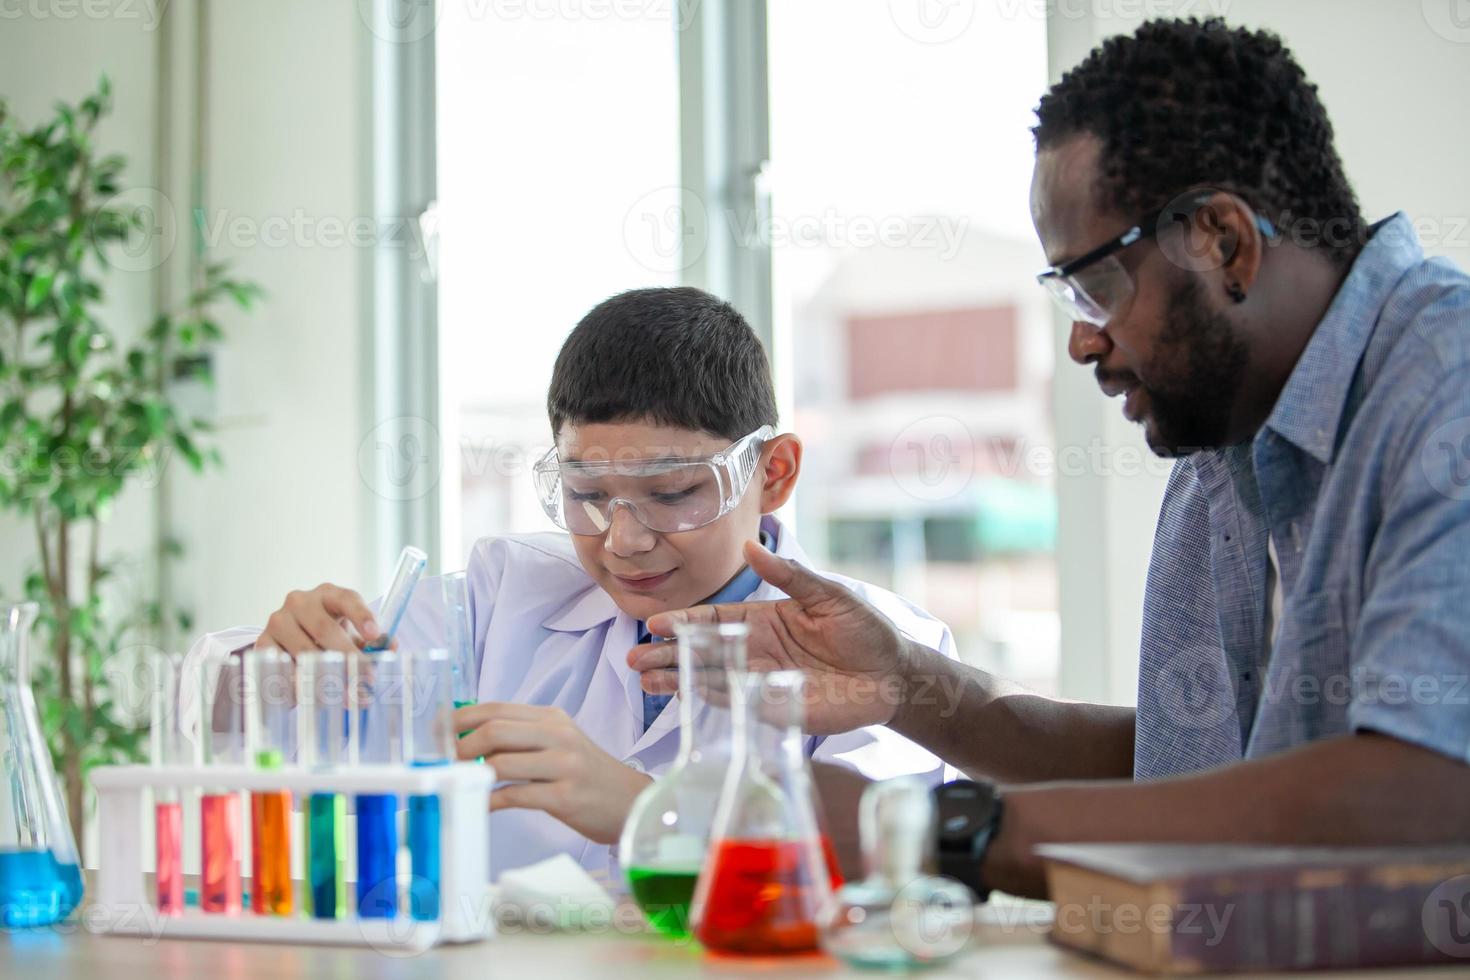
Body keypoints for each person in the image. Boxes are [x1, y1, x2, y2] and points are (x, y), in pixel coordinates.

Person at [629, 18, 1470, 899]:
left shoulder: (1441, 386)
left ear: (1225, 241)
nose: (1079, 340)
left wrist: (931, 833)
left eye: (1097, 286)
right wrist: (907, 682)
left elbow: (1422, 791)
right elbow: (1186, 778)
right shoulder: (1223, 456)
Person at [182, 286, 954, 879]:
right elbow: (261, 735)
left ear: (774, 472)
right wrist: (279, 668)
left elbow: (893, 857)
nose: (623, 541)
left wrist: (644, 810)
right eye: (587, 494)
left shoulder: (886, 647)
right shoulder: (496, 597)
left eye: (674, 492)